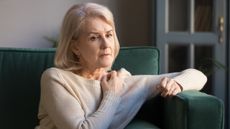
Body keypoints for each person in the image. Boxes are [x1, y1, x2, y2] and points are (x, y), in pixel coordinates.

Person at [35, 2, 207, 129]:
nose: (106, 44)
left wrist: (177, 83)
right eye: (94, 37)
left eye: (109, 35)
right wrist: (112, 96)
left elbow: (198, 76)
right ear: (75, 47)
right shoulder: (55, 78)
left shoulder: (122, 82)